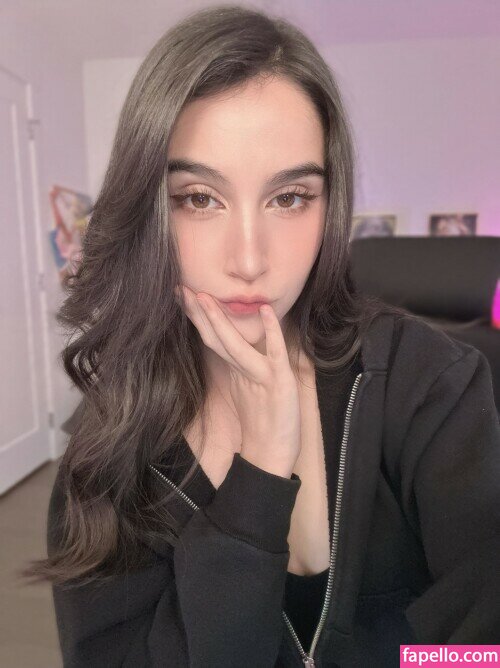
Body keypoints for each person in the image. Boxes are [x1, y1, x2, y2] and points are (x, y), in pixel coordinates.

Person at [21, 5, 500, 666]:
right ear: (148, 208)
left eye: (289, 197)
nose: (249, 259)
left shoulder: (431, 383)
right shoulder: (106, 457)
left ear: (329, 205)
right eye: (199, 197)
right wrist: (259, 479)